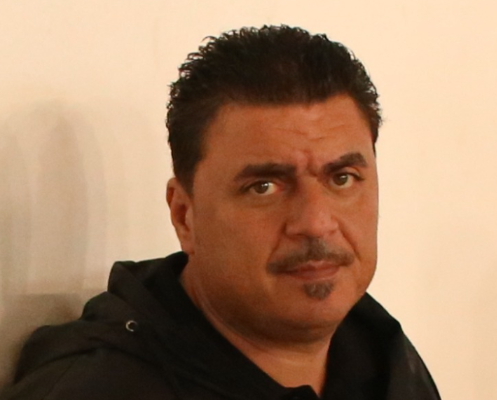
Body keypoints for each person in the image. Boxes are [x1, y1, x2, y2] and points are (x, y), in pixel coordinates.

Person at [0, 25, 440, 400]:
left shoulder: (379, 355)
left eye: (342, 178)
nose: (316, 223)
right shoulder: (100, 389)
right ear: (184, 216)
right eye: (263, 187)